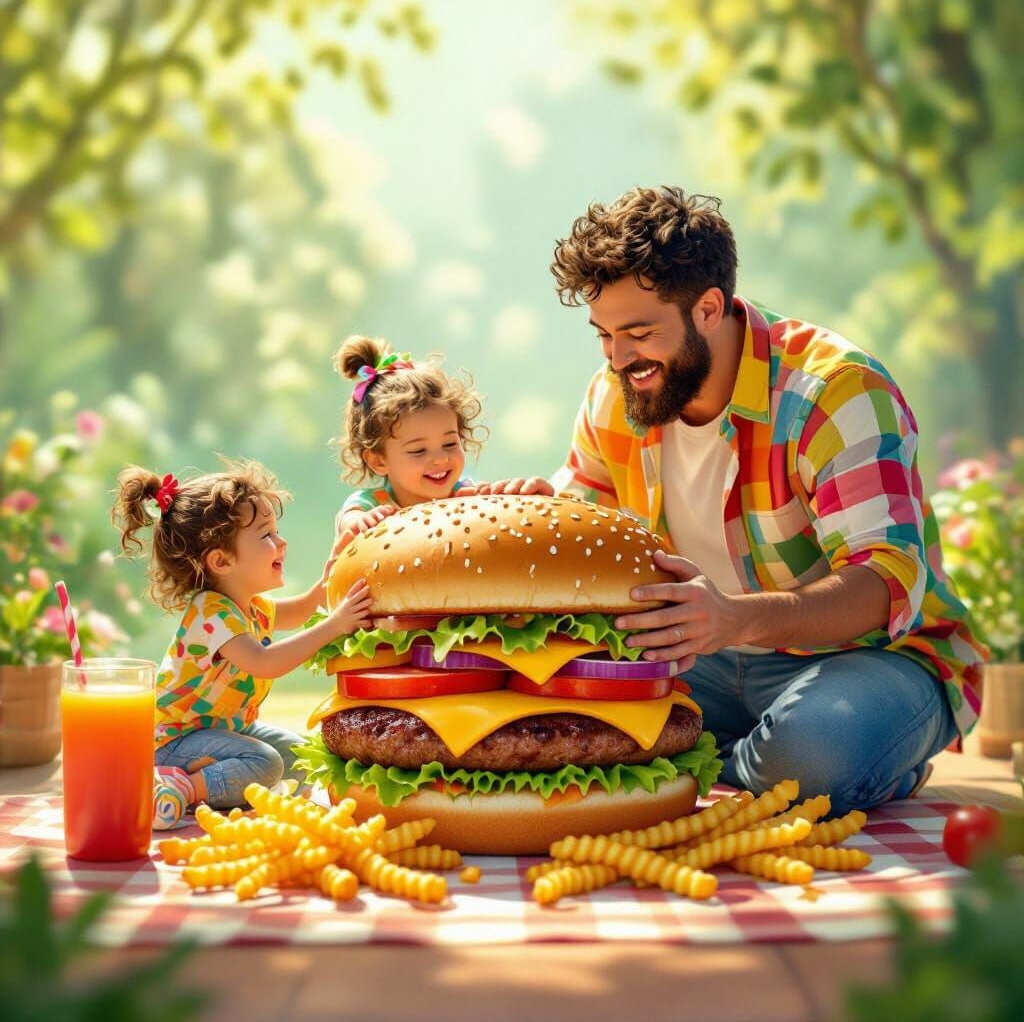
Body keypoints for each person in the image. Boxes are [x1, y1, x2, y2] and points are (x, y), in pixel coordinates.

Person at [546, 185, 986, 816]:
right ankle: (750, 760)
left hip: (867, 660)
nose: (618, 358)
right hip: (700, 659)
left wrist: (734, 617)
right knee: (559, 722)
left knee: (811, 757)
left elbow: (885, 581)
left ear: (707, 308)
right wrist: (543, 512)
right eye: (604, 335)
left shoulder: (835, 391)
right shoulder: (617, 394)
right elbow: (587, 524)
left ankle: (745, 759)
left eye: (639, 333)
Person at [113, 459, 372, 828]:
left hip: (224, 731)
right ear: (221, 560)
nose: (281, 542)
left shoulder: (252, 608)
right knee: (267, 763)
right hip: (175, 741)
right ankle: (179, 786)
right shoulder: (211, 612)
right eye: (266, 535)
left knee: (302, 756)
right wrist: (336, 625)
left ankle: (230, 788)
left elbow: (305, 608)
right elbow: (265, 662)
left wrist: (338, 561)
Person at [333, 335, 552, 544]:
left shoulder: (466, 495)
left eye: (449, 444)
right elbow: (348, 519)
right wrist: (356, 524)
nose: (440, 459)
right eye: (418, 450)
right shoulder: (371, 505)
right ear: (378, 460)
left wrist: (522, 498)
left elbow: (503, 522)